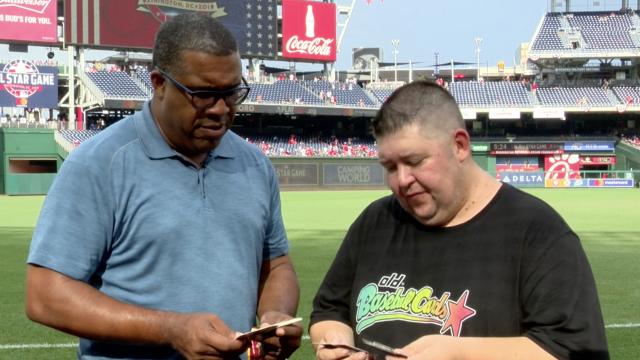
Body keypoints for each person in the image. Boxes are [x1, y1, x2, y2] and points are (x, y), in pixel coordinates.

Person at [26, 13, 301, 360]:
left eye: (232, 93)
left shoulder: (254, 164)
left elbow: (276, 267)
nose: (221, 109)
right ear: (159, 83)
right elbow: (45, 296)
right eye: (203, 94)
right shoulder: (100, 163)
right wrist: (170, 329)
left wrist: (276, 315)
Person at [309, 81, 608, 360]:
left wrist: (458, 353)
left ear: (460, 146)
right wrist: (335, 339)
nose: (401, 180)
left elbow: (573, 350)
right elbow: (328, 309)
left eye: (414, 162)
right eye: (389, 166)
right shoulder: (375, 222)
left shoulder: (538, 232)